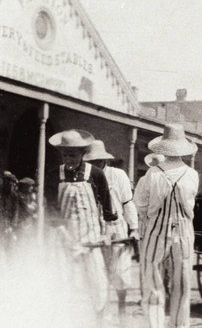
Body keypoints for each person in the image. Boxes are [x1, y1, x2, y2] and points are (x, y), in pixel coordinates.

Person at [47, 129, 118, 325]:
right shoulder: (54, 175)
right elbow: (51, 209)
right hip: (64, 239)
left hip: (91, 240)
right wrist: (65, 237)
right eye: (65, 154)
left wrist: (108, 233)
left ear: (82, 153)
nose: (68, 158)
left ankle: (98, 321)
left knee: (97, 282)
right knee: (66, 281)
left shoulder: (95, 174)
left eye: (73, 154)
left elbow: (107, 207)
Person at [134, 123, 199, 328]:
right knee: (182, 283)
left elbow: (141, 204)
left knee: (152, 279)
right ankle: (180, 324)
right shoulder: (192, 174)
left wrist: (150, 219)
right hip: (184, 232)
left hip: (156, 231)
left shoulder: (151, 174)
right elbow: (191, 202)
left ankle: (154, 324)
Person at [83, 140, 140, 320]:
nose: (93, 165)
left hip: (117, 228)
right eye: (90, 162)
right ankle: (102, 311)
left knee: (120, 272)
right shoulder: (85, 176)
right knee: (99, 273)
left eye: (96, 161)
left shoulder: (118, 175)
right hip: (95, 229)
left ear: (103, 160)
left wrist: (134, 228)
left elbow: (127, 202)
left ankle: (122, 308)